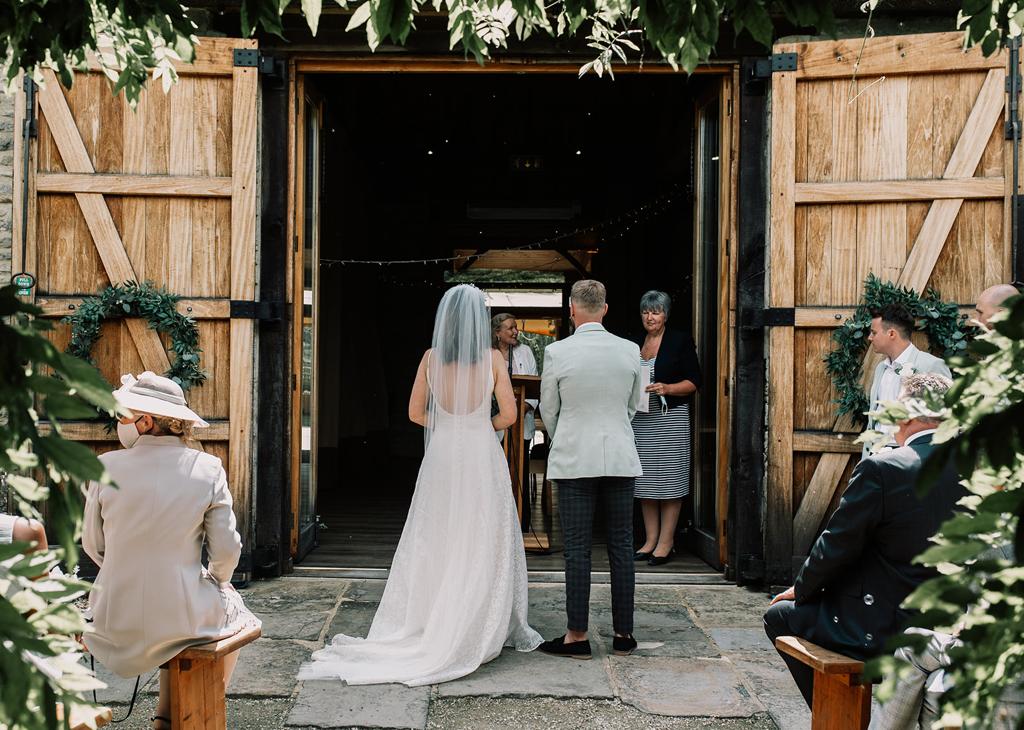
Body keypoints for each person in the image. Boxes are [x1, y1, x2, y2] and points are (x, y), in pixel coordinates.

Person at [300, 284, 541, 686]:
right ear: (480, 322)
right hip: (480, 453)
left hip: (443, 454)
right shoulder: (493, 359)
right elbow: (512, 417)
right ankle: (477, 617)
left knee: (438, 531)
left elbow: (415, 413)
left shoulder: (431, 359)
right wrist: (478, 426)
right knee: (482, 531)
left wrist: (448, 426)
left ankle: (431, 615)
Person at [763, 373, 963, 708]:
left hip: (887, 627)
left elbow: (837, 545)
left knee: (781, 615)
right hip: (950, 622)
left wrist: (803, 588)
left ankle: (838, 716)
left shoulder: (884, 469)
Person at [82, 372, 258, 730]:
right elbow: (227, 550)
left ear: (145, 422)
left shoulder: (104, 467)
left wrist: (123, 566)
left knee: (175, 612)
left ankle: (165, 715)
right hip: (182, 617)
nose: (118, 424)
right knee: (238, 616)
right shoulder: (207, 468)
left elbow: (94, 546)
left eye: (121, 416)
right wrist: (218, 581)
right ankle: (190, 708)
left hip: (113, 616)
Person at [538, 279, 644, 660]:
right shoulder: (631, 350)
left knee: (578, 550)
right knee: (622, 546)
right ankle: (623, 635)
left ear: (571, 309)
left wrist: (567, 434)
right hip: (619, 454)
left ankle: (577, 636)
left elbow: (548, 408)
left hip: (574, 458)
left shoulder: (556, 351)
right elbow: (633, 406)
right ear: (605, 308)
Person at [631, 290, 701, 567]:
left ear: (666, 315)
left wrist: (668, 387)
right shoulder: (635, 341)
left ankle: (666, 541)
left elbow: (694, 381)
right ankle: (650, 540)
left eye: (656, 312)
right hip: (640, 419)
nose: (650, 317)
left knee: (670, 481)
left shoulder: (679, 340)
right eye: (646, 312)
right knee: (645, 481)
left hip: (669, 417)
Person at [865, 304, 951, 453]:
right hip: (876, 456)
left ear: (891, 334)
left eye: (874, 332)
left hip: (911, 458)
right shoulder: (881, 369)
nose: (869, 337)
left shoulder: (931, 366)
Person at [492, 313, 539, 531]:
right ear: (496, 332)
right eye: (510, 328)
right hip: (493, 427)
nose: (515, 331)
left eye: (516, 328)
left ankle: (521, 524)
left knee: (519, 471)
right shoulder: (487, 354)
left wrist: (523, 407)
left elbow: (533, 383)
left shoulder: (524, 352)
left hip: (521, 424)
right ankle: (497, 525)